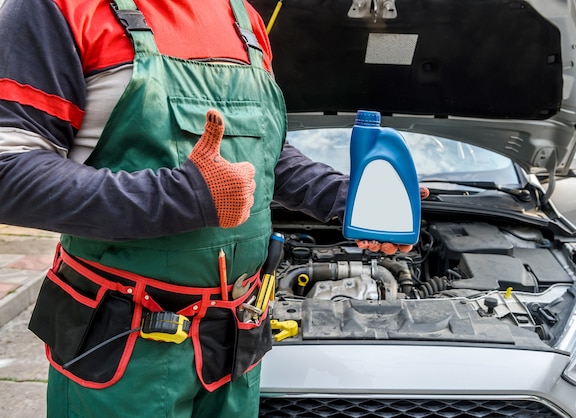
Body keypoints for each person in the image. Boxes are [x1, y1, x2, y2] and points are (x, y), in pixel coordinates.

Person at [0, 0, 425, 416]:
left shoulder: (243, 17)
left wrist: (343, 198)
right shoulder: (60, 8)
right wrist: (183, 199)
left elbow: (264, 152)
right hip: (124, 352)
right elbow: (9, 171)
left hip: (236, 343)